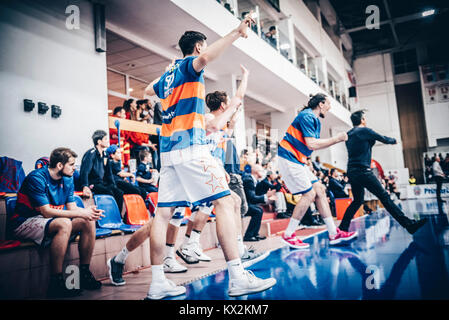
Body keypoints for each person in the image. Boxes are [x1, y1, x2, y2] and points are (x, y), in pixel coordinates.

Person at [143, 17, 276, 299]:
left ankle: (157, 283)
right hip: (191, 147)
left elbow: (146, 91)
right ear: (198, 45)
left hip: (169, 152)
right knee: (227, 201)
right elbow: (204, 58)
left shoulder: (169, 75)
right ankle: (238, 277)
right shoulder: (190, 68)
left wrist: (166, 77)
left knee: (163, 214)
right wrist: (236, 33)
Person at [9, 148, 104, 298]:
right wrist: (81, 212)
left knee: (88, 221)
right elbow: (46, 211)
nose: (75, 168)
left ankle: (84, 274)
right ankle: (56, 282)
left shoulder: (68, 179)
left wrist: (87, 212)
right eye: (72, 164)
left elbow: (72, 208)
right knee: (64, 223)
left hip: (48, 221)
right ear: (60, 165)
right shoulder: (37, 178)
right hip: (23, 222)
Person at [277, 93, 357, 249]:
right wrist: (337, 139)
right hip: (289, 157)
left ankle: (334, 233)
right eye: (328, 104)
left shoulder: (314, 119)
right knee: (309, 194)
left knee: (320, 190)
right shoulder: (307, 116)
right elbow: (312, 144)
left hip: (299, 160)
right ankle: (288, 235)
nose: (329, 107)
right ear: (321, 104)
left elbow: (308, 146)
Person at [339, 110, 428, 234]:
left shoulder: (349, 134)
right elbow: (383, 138)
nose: (366, 120)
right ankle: (408, 224)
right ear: (362, 120)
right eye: (364, 118)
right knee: (384, 197)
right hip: (363, 170)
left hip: (352, 171)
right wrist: (394, 140)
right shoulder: (365, 131)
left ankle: (342, 228)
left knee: (358, 200)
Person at [79, 130, 126, 213]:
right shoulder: (91, 153)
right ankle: (109, 215)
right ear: (99, 141)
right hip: (92, 184)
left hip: (101, 183)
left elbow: (109, 173)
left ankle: (118, 217)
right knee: (109, 192)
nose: (108, 141)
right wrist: (85, 186)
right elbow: (85, 171)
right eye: (105, 139)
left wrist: (113, 185)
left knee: (119, 192)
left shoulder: (105, 155)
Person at [243, 164, 277, 241]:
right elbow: (252, 198)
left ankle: (255, 234)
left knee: (259, 210)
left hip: (248, 204)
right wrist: (266, 195)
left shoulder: (256, 181)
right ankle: (248, 236)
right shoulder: (248, 180)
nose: (264, 172)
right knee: (257, 211)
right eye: (262, 170)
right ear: (257, 172)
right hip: (243, 205)